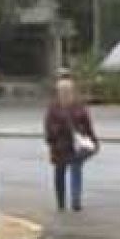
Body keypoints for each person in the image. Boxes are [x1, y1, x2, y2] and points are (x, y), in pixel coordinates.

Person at [43, 79, 97, 212]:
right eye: (63, 91)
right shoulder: (53, 108)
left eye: (68, 91)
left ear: (73, 91)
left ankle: (75, 201)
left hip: (76, 146)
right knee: (59, 174)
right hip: (60, 147)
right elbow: (49, 128)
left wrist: (93, 140)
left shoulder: (79, 106)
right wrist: (54, 138)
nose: (66, 94)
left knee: (76, 170)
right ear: (58, 92)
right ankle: (61, 202)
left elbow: (87, 124)